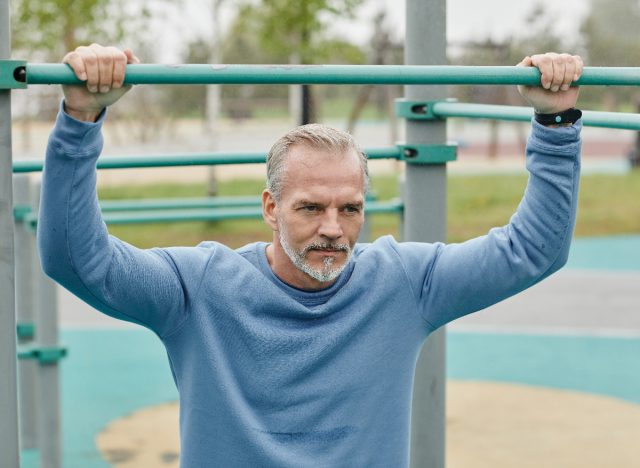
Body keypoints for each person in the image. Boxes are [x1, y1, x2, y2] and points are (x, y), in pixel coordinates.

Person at [38, 43, 584, 467]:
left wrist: (556, 123)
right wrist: (80, 120)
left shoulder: (402, 282)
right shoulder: (199, 287)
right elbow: (76, 259)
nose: (333, 230)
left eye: (350, 208)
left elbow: (532, 249)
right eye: (310, 208)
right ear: (271, 208)